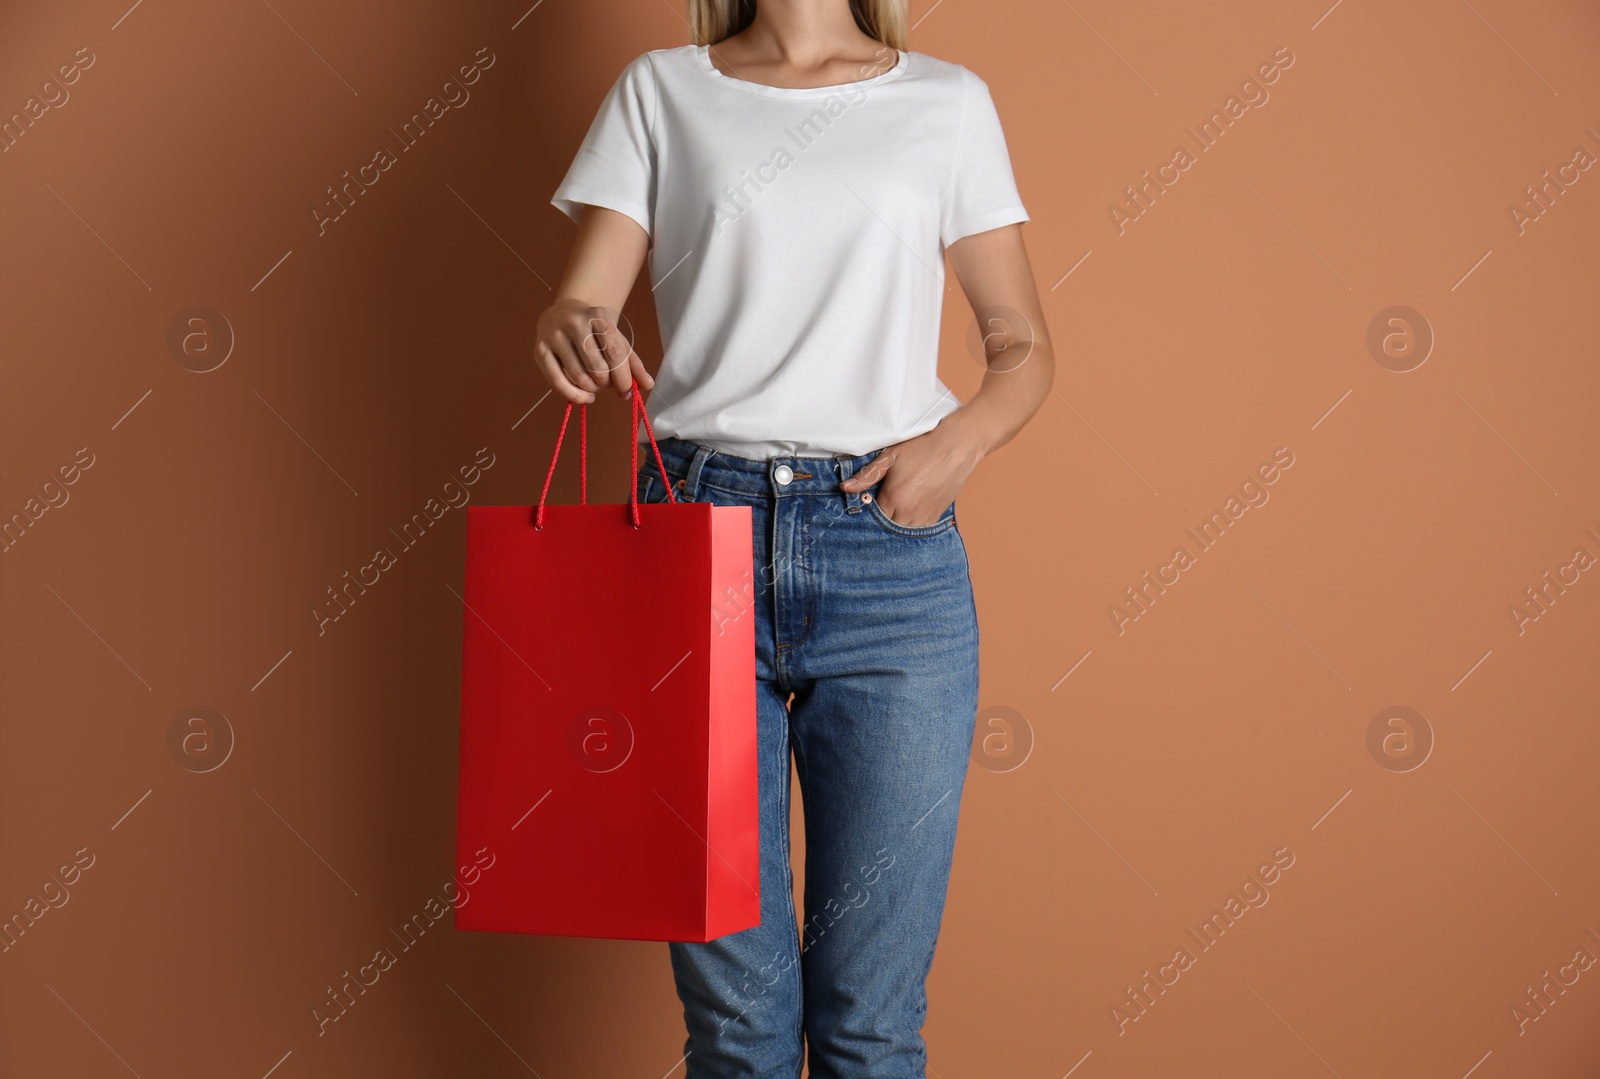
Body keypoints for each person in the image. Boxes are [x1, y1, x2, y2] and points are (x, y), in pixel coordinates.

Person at [535, 1, 1053, 1074]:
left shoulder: (944, 102)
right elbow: (584, 296)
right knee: (736, 1029)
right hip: (691, 540)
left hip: (888, 553)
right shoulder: (661, 90)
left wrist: (961, 439)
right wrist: (571, 324)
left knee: (871, 1024)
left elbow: (1023, 344)